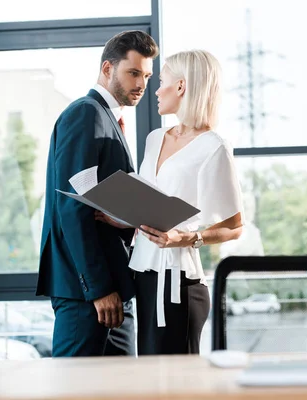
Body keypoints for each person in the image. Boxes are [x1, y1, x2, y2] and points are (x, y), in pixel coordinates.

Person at [96, 50, 244, 355]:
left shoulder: (214, 147)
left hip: (180, 285)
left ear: (181, 87)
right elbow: (148, 202)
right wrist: (121, 216)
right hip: (144, 278)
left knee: (176, 384)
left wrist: (186, 238)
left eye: (160, 81)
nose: (155, 89)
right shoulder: (154, 138)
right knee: (152, 381)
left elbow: (234, 227)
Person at [36, 30, 159, 357]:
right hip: (88, 294)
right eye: (133, 73)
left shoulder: (108, 119)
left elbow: (99, 201)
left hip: (115, 288)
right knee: (74, 388)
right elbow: (73, 206)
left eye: (146, 75)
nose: (142, 84)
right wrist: (99, 288)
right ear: (108, 69)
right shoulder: (86, 113)